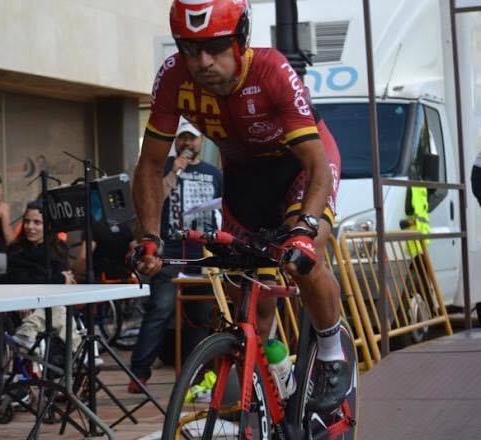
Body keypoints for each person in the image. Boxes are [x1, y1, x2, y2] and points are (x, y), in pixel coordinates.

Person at [131, 0, 350, 413]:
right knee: (247, 300)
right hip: (246, 179)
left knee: (304, 257)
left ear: (241, 39)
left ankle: (331, 352)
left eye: (215, 47)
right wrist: (149, 236)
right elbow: (149, 166)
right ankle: (271, 383)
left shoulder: (271, 71)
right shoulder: (173, 77)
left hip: (300, 169)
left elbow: (317, 166)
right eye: (190, 49)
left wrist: (304, 230)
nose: (203, 62)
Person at [128, 119, 222, 393]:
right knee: (160, 309)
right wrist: (174, 173)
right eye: (182, 138)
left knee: (200, 316)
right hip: (168, 254)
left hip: (202, 255)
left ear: (201, 141)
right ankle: (139, 372)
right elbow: (152, 200)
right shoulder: (165, 168)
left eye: (192, 139)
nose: (187, 144)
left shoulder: (213, 173)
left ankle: (194, 373)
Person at [7, 201, 81, 351]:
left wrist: (54, 282)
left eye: (37, 222)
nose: (30, 227)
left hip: (48, 303)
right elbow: (20, 281)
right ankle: (81, 352)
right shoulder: (16, 250)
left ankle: (28, 330)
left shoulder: (58, 249)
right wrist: (58, 280)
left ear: (47, 225)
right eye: (27, 221)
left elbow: (57, 286)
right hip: (22, 304)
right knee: (58, 310)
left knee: (57, 308)